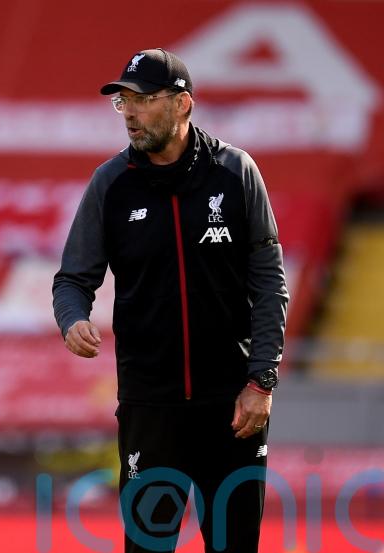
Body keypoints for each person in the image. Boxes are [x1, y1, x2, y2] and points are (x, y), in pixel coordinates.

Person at [52, 48, 288, 553]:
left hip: (233, 405)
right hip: (149, 407)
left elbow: (270, 283)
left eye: (143, 99)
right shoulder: (111, 183)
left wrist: (261, 380)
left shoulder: (235, 171)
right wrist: (72, 319)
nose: (129, 113)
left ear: (182, 103)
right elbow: (71, 280)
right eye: (123, 102)